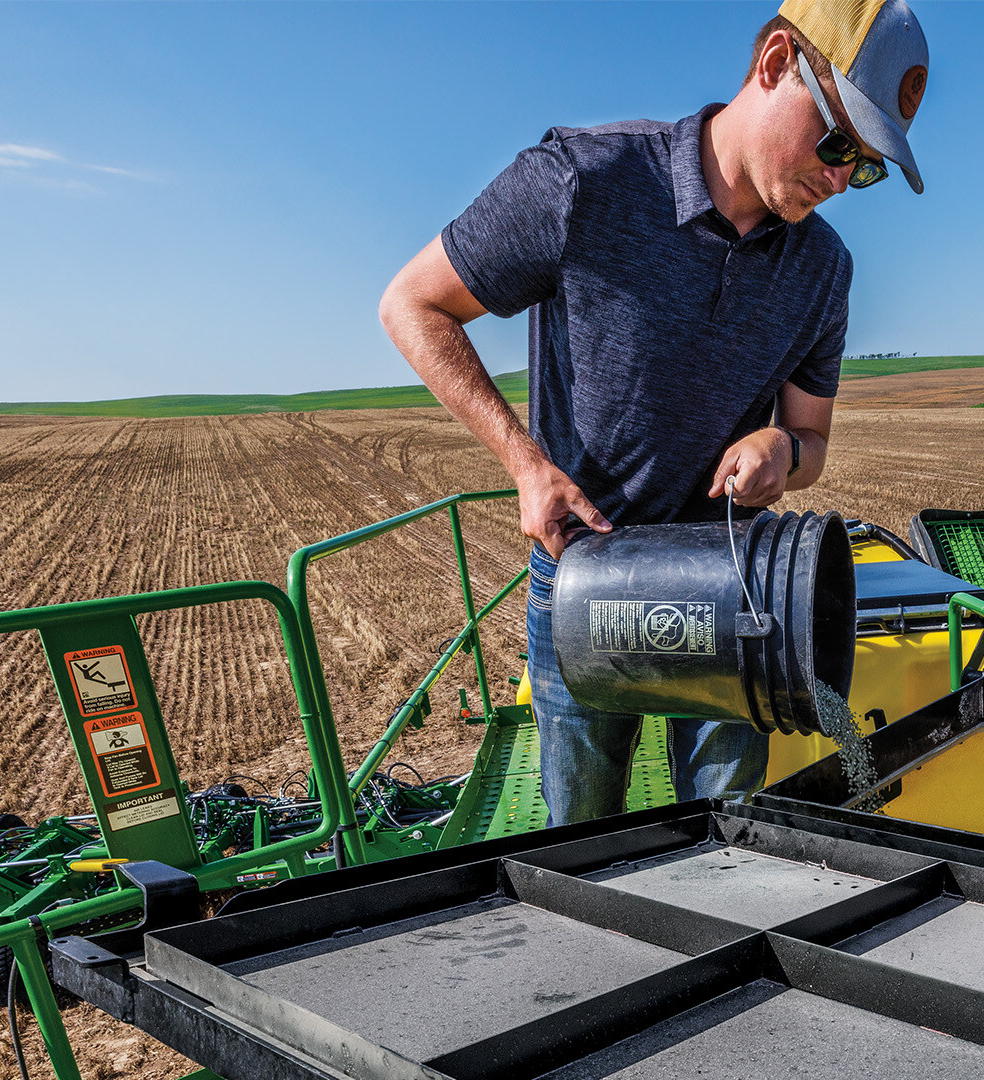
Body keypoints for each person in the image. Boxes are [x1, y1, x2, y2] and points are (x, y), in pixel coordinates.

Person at [378, 1, 930, 825]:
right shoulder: (584, 182)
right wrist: (528, 469)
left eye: (868, 166)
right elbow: (412, 305)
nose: (844, 177)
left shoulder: (823, 269)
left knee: (729, 838)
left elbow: (812, 440)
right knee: (585, 841)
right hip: (582, 579)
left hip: (731, 589)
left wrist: (783, 445)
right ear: (776, 62)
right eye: (839, 142)